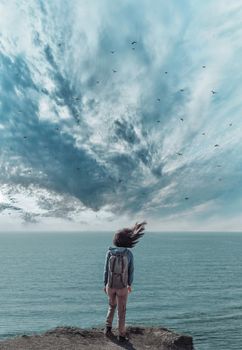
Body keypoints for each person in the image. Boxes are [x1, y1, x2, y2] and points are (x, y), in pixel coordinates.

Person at [103, 221, 147, 342]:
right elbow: (131, 270)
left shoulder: (109, 252)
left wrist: (105, 284)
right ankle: (121, 335)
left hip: (110, 285)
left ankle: (107, 328)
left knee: (111, 306)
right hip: (122, 286)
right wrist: (129, 284)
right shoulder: (128, 254)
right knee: (122, 311)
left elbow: (106, 270)